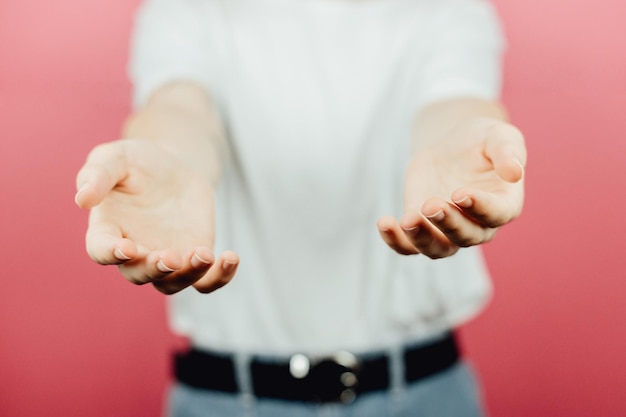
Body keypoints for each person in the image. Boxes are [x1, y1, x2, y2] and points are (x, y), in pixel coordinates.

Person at [75, 0, 526, 416]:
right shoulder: (191, 8)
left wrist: (464, 141)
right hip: (226, 400)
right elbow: (179, 108)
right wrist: (167, 157)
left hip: (424, 396)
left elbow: (453, 104)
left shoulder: (445, 7)